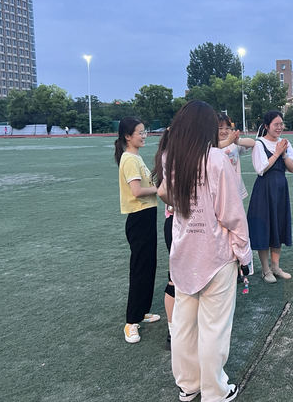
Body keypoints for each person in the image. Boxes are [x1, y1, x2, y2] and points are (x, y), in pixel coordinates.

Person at [157, 100, 251, 402]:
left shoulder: (171, 158)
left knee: (183, 324)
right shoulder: (215, 159)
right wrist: (244, 254)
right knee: (214, 328)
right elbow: (232, 214)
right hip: (215, 254)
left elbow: (167, 196)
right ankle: (214, 391)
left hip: (184, 251)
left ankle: (188, 385)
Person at [114, 117, 160, 344]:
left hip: (147, 215)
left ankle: (142, 311)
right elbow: (136, 191)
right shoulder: (129, 159)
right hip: (139, 218)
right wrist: (159, 188)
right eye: (139, 133)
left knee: (149, 265)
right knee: (140, 268)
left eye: (144, 132)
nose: (144, 136)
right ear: (127, 136)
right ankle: (131, 321)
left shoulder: (136, 157)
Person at [247, 110, 293, 283]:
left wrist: (283, 154)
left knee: (278, 225)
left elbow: (292, 167)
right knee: (264, 227)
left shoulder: (284, 143)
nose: (279, 127)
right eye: (276, 124)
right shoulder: (259, 144)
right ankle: (265, 269)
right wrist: (277, 153)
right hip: (264, 190)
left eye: (281, 124)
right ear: (267, 126)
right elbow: (261, 168)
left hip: (280, 190)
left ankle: (276, 266)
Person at [152, 129, 175, 351]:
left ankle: (173, 330)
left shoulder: (164, 154)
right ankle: (172, 331)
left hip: (175, 222)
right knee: (176, 280)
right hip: (179, 223)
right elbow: (163, 191)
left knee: (176, 278)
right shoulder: (173, 156)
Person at [217, 113, 255, 200]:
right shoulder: (211, 144)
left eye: (227, 128)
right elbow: (210, 148)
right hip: (218, 189)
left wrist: (237, 141)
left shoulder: (234, 144)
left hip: (235, 188)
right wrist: (228, 142)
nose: (224, 131)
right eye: (220, 128)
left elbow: (252, 143)